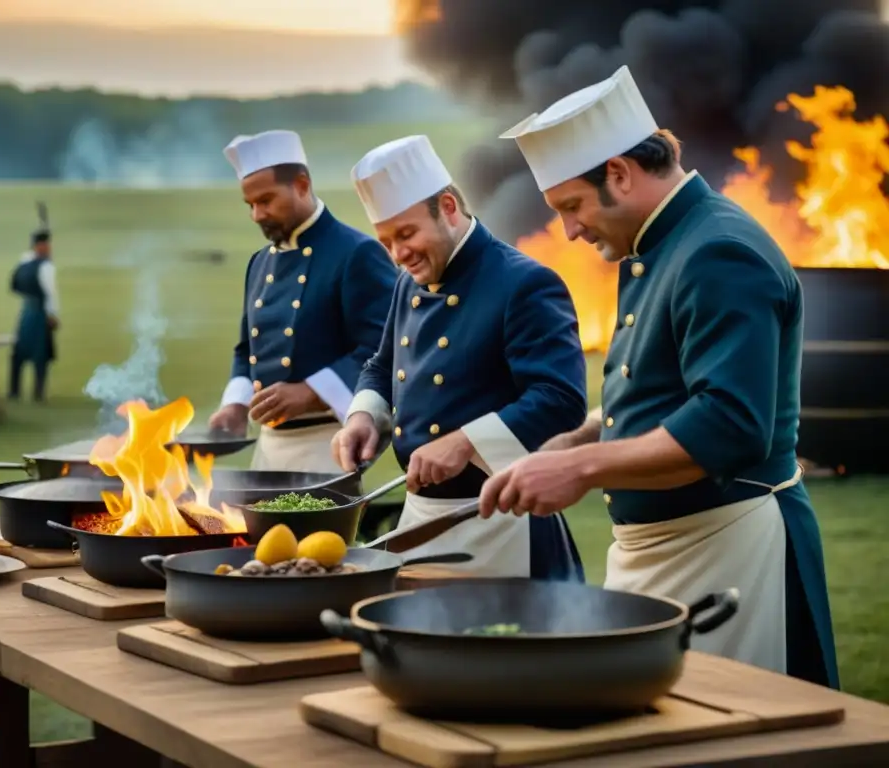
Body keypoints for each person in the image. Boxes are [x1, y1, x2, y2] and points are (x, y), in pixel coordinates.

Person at [484, 65, 839, 687]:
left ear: (618, 174)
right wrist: (584, 438)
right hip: (674, 553)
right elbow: (666, 390)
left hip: (731, 551)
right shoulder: (663, 243)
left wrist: (580, 470)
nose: (568, 230)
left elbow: (729, 424)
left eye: (572, 206)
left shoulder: (717, 251)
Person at [331, 135, 588, 579]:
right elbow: (381, 365)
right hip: (419, 520)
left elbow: (560, 400)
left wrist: (465, 441)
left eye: (407, 234)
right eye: (386, 241)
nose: (398, 255)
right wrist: (364, 416)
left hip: (501, 524)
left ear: (448, 207)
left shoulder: (524, 282)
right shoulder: (407, 282)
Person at [208, 129, 398, 473]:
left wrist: (311, 392)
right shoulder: (259, 261)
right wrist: (235, 404)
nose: (256, 215)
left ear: (302, 184)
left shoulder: (357, 252)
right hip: (266, 448)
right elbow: (244, 348)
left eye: (266, 200)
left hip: (326, 445)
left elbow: (383, 348)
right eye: (250, 205)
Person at [9, 226, 58, 402]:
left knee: (19, 352)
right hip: (39, 313)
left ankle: (14, 391)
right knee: (40, 354)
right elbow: (51, 293)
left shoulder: (24, 261)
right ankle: (38, 392)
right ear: (41, 245)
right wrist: (53, 314)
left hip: (26, 311)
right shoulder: (46, 266)